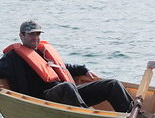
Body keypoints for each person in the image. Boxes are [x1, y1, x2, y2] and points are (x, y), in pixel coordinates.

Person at [0, 20, 133, 112]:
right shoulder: (11, 57)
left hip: (65, 93)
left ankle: (133, 115)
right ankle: (86, 116)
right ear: (21, 35)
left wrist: (83, 69)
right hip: (41, 99)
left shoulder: (41, 51)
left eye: (38, 34)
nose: (35, 37)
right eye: (31, 34)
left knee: (112, 84)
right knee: (67, 87)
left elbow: (61, 66)